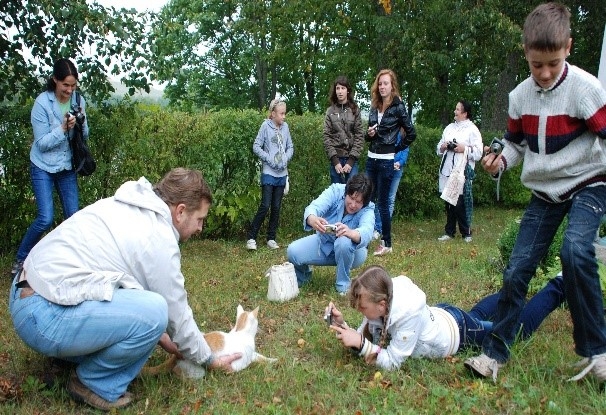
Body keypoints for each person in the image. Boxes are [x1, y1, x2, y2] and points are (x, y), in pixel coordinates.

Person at [9, 168, 241, 411]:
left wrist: (162, 337)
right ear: (181, 211)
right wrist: (209, 359)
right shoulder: (158, 237)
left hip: (26, 295)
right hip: (43, 315)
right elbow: (176, 315)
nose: (200, 228)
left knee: (151, 315)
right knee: (157, 312)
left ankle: (69, 359)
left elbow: (125, 290)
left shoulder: (131, 206)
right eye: (200, 219)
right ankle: (93, 383)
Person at [464, 2, 606, 383]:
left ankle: (597, 351)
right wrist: (501, 161)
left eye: (553, 64)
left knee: (575, 249)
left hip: (590, 182)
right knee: (516, 270)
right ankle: (494, 354)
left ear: (568, 49)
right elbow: (514, 144)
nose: (544, 73)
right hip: (545, 192)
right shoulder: (519, 97)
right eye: (536, 65)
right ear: (526, 54)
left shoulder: (586, 89)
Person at [327, 265, 565, 371]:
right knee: (478, 315)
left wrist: (359, 344)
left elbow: (392, 362)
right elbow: (369, 335)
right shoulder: (384, 296)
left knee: (516, 329)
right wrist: (343, 326)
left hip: (460, 333)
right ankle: (512, 297)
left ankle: (559, 285)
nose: (362, 314)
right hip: (444, 315)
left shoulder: (406, 314)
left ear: (381, 304)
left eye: (362, 309)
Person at [10, 58, 90, 280]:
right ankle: (21, 259)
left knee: (73, 217)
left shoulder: (78, 99)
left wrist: (81, 124)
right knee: (45, 218)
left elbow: (85, 136)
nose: (69, 90)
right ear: (55, 80)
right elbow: (42, 144)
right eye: (65, 85)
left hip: (65, 166)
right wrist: (63, 129)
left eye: (73, 85)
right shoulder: (42, 104)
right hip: (43, 166)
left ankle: (72, 263)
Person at [286, 173, 374, 295]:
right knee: (292, 251)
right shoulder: (335, 191)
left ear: (364, 203)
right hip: (324, 243)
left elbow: (367, 231)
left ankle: (343, 286)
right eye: (351, 198)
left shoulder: (369, 209)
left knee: (343, 241)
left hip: (353, 252)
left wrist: (350, 232)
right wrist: (312, 219)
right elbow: (314, 207)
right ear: (346, 192)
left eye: (358, 202)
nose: (353, 205)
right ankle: (303, 278)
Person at [365, 69, 416, 256]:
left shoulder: (398, 107)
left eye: (386, 83)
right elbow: (368, 136)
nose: (382, 87)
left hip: (387, 160)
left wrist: (396, 148)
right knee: (367, 199)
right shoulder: (374, 106)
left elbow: (411, 133)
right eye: (380, 84)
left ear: (392, 85)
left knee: (383, 203)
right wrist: (369, 134)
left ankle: (387, 243)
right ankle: (365, 235)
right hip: (371, 158)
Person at [246, 98, 294, 251]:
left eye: (284, 113)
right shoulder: (265, 127)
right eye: (281, 114)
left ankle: (271, 238)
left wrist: (286, 157)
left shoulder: (285, 127)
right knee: (265, 205)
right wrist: (269, 158)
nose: (284, 117)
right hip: (269, 172)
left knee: (276, 207)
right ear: (273, 114)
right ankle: (251, 237)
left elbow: (290, 146)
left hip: (282, 174)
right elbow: (256, 146)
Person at [436, 100, 483, 243]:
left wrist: (465, 149)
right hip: (447, 170)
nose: (455, 112)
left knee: (460, 202)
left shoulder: (472, 130)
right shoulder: (449, 128)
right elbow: (439, 148)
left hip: (461, 170)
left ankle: (466, 232)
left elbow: (479, 152)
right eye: (455, 109)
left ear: (465, 113)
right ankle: (449, 231)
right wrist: (443, 146)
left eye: (457, 109)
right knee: (448, 202)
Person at [323, 75, 364, 184]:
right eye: (338, 88)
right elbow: (326, 137)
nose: (340, 91)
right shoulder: (330, 111)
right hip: (336, 160)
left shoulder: (355, 110)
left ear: (348, 91)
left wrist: (351, 161)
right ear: (335, 91)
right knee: (337, 195)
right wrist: (335, 161)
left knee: (352, 194)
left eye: (343, 88)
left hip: (351, 160)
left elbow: (359, 136)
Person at [373, 129, 410, 241]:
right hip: (383, 166)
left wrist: (400, 162)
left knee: (390, 199)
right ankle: (375, 228)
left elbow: (405, 149)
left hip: (397, 169)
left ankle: (383, 229)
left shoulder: (405, 131)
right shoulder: (387, 127)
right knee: (380, 197)